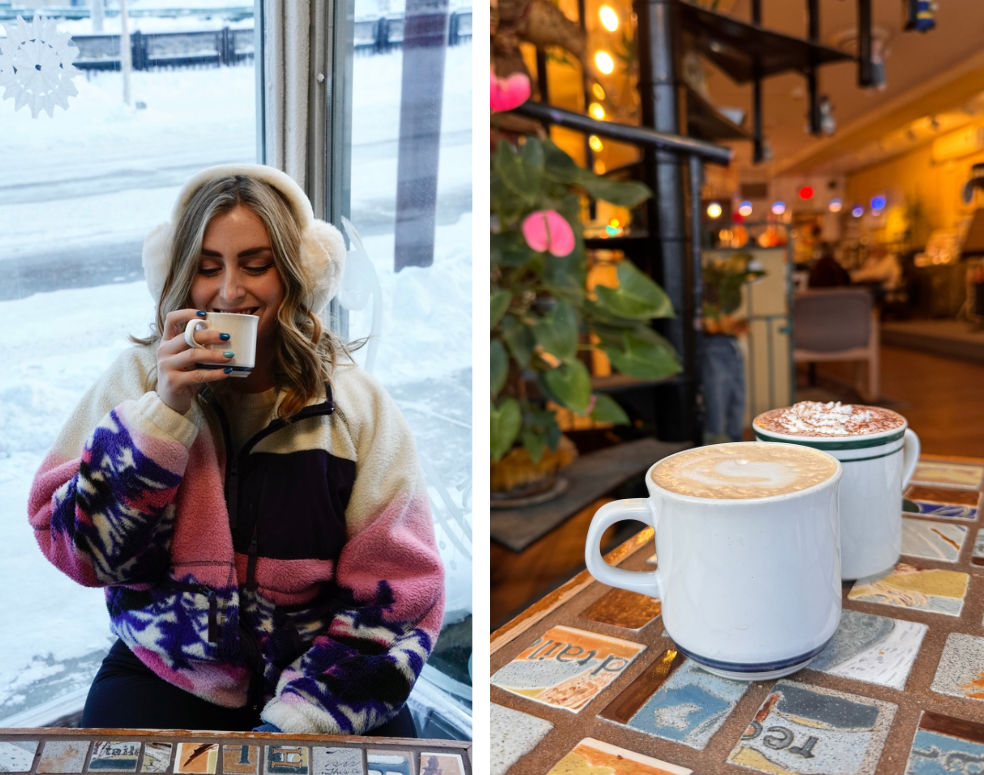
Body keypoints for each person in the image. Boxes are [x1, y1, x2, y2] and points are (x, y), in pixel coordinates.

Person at [27, 165, 445, 736]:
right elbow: (87, 558)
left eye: (257, 265)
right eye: (206, 268)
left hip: (325, 677)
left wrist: (299, 721)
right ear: (176, 274)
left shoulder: (355, 407)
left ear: (301, 272)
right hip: (168, 669)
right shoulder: (136, 381)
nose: (229, 292)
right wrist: (163, 415)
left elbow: (399, 599)